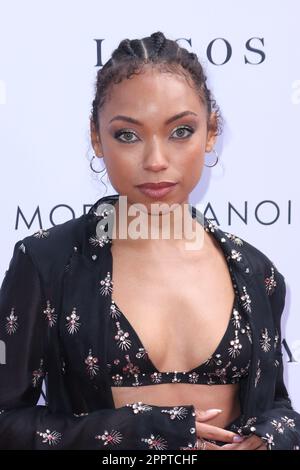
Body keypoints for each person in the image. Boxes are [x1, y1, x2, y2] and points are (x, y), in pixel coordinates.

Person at [0, 31, 299, 451]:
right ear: (96, 137)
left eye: (181, 131)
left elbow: (279, 404)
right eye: (128, 135)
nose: (156, 161)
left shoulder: (256, 272)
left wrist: (268, 437)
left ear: (211, 132)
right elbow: (6, 420)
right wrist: (139, 432)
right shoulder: (46, 263)